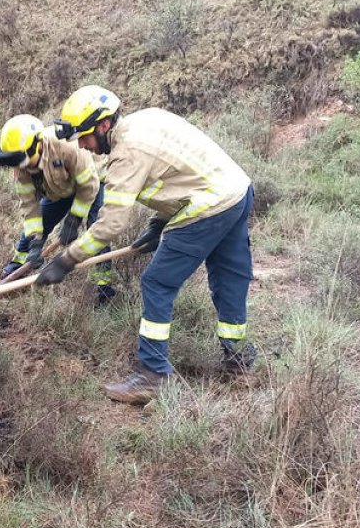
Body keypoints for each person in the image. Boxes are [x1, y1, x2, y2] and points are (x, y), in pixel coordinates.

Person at [35, 86, 257, 404]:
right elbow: (180, 171)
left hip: (208, 207)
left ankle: (153, 374)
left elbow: (111, 224)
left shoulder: (126, 154)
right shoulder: (147, 118)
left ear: (103, 125)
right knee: (229, 278)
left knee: (157, 282)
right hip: (236, 191)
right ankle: (238, 359)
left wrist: (67, 260)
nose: (82, 145)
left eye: (84, 137)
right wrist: (159, 223)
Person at [0, 114, 115, 303]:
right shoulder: (21, 163)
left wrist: (73, 220)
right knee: (38, 226)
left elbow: (88, 186)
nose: (18, 169)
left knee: (96, 231)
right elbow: (29, 207)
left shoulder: (67, 146)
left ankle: (104, 286)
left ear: (37, 145)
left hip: (92, 182)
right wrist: (35, 242)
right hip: (60, 189)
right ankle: (17, 268)